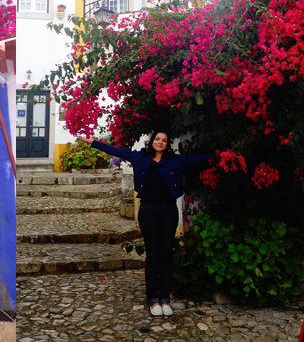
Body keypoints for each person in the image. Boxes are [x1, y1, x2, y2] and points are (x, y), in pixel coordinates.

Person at [78, 131, 212, 316]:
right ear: (152, 141)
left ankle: (165, 299)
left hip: (169, 211)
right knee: (153, 255)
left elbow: (198, 159)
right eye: (158, 139)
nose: (161, 142)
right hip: (149, 211)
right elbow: (115, 151)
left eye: (164, 140)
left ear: (167, 144)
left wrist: (222, 156)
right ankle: (153, 300)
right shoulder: (139, 157)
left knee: (166, 256)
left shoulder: (175, 160)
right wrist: (93, 142)